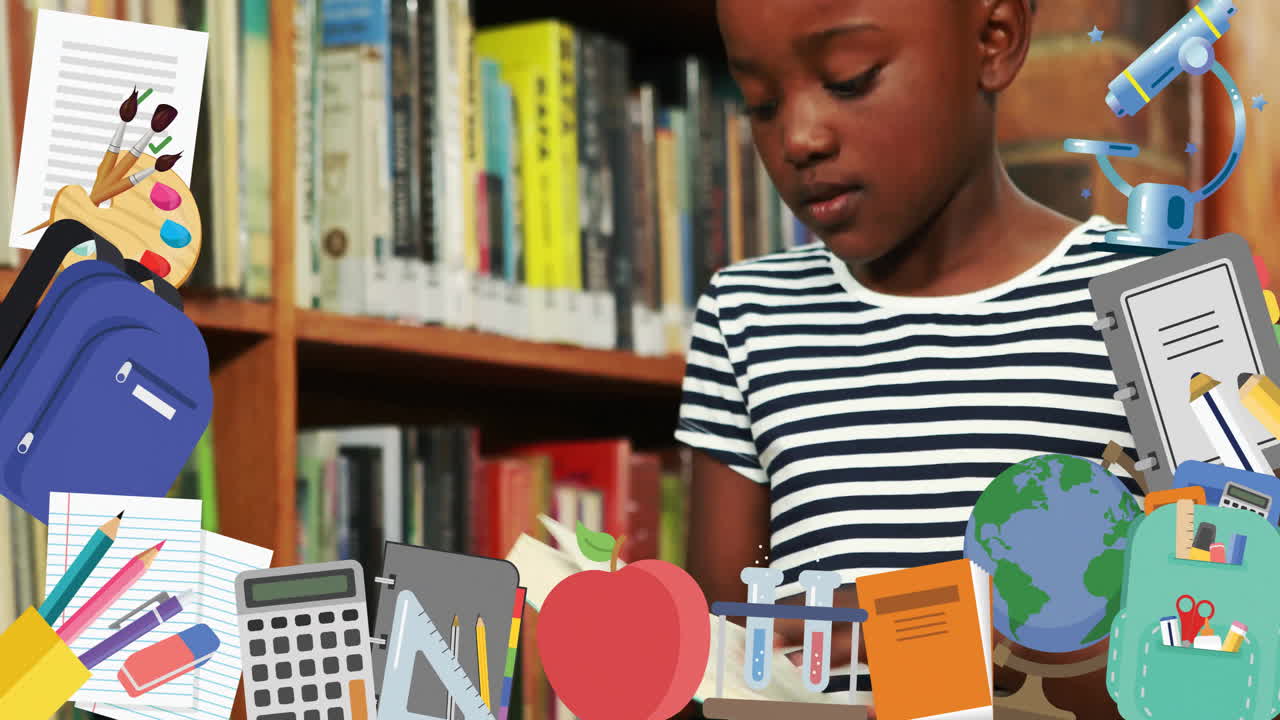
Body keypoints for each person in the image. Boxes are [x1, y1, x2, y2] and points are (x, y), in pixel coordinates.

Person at [677, 1, 1140, 717]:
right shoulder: (745, 314)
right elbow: (723, 660)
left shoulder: (1159, 299)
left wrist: (895, 631)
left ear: (994, 38)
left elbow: (1227, 643)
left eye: (850, 78)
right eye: (761, 102)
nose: (798, 138)